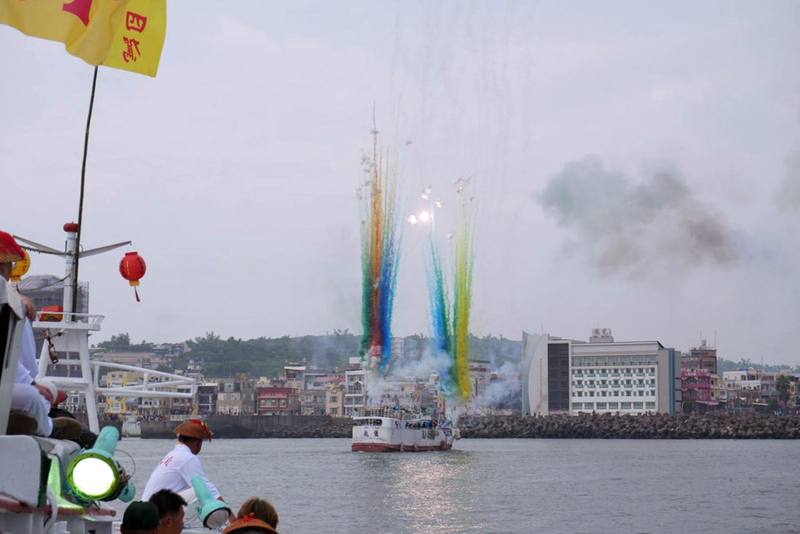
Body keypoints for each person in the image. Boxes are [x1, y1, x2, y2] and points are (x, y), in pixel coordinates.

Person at [0, 230, 81, 440]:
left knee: (39, 391)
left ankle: (29, 419)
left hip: (10, 381)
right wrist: (32, 384)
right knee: (32, 396)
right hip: (8, 385)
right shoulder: (11, 301)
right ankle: (49, 429)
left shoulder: (12, 300)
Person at [142, 419, 222, 501]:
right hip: (156, 507)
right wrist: (226, 508)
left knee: (199, 488)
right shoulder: (188, 458)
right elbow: (209, 491)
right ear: (198, 442)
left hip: (152, 504)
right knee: (200, 490)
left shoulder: (174, 454)